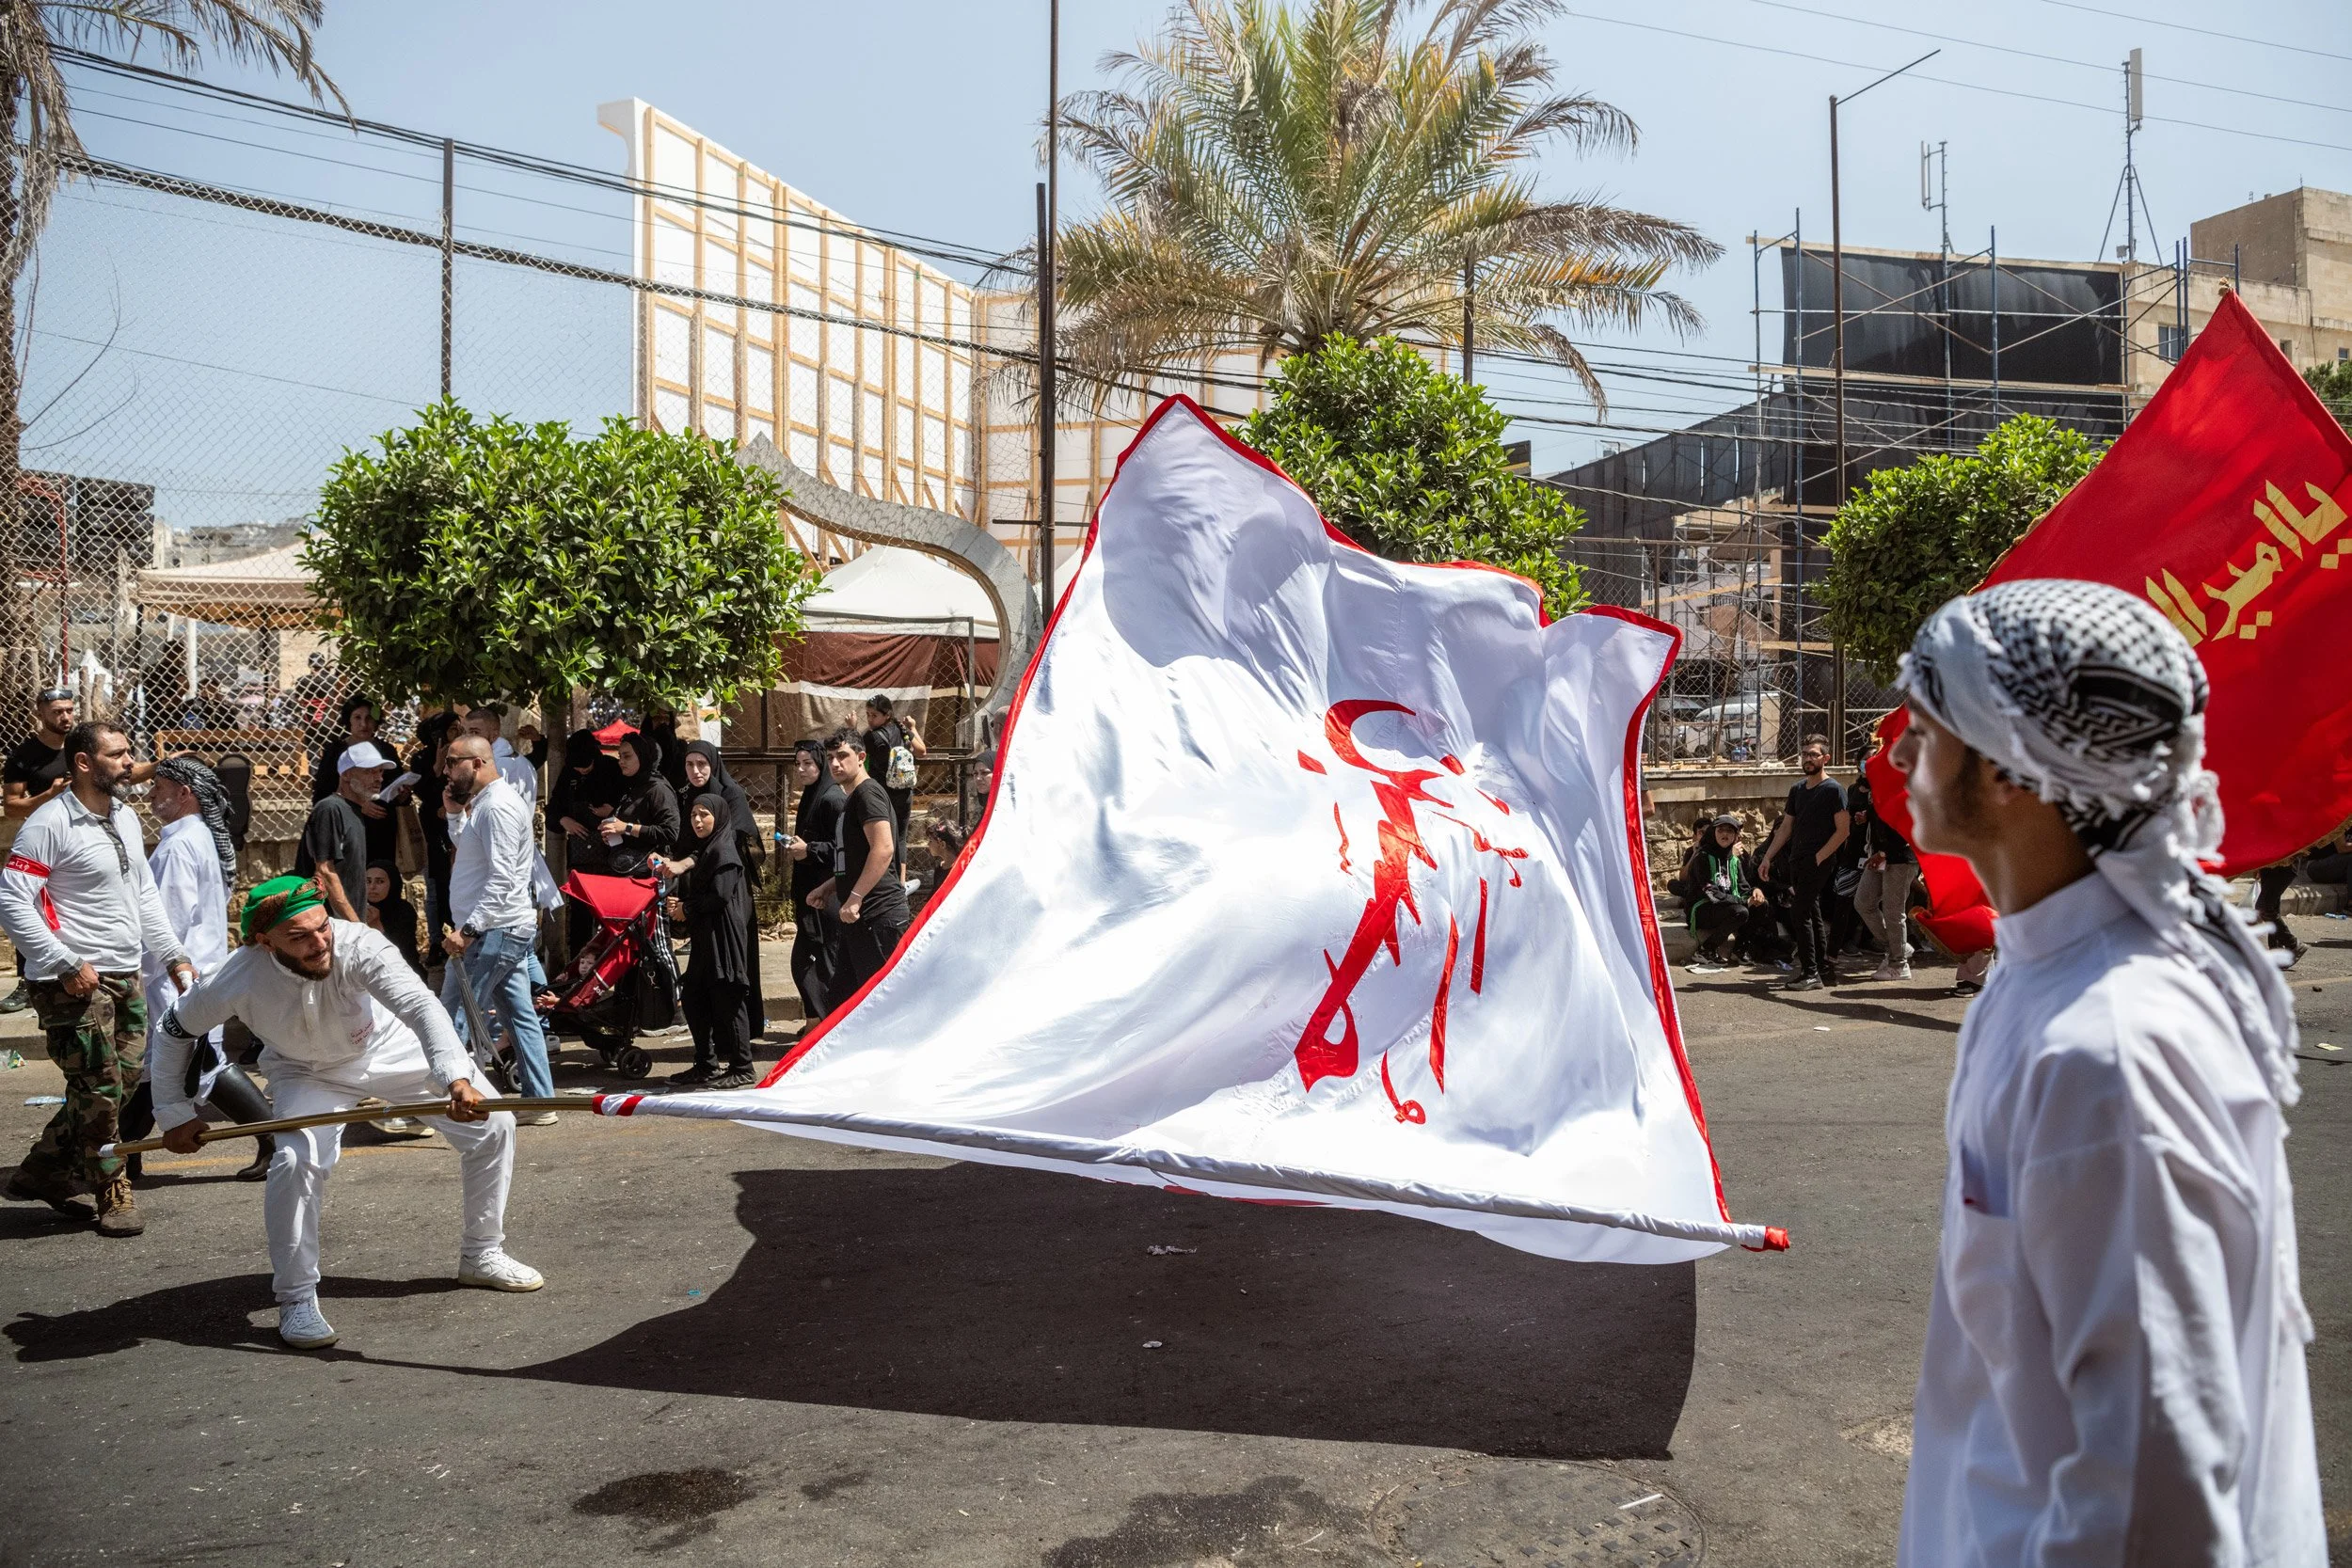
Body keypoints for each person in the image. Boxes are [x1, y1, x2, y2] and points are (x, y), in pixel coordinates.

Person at [1885, 579, 2322, 1564]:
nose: (1900, 754)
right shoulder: (2037, 979)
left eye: (1926, 726)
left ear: (2006, 773)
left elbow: (2145, 1495)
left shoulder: (2108, 1049)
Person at [153, 878, 543, 1349]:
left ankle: (482, 1253)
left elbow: (421, 1007)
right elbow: (173, 1030)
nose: (320, 944)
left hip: (390, 1050)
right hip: (305, 1072)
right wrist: (174, 1112)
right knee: (295, 1162)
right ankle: (296, 1297)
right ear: (264, 941)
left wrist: (454, 1078)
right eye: (299, 937)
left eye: (322, 928)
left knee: (495, 1121)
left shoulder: (359, 943)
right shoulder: (237, 975)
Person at [0, 722, 193, 1235]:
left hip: (124, 971)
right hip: (71, 979)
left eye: (130, 752)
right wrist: (64, 962)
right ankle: (113, 1187)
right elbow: (13, 901)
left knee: (124, 1082)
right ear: (84, 763)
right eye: (118, 754)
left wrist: (172, 954)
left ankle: (41, 1171)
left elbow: (144, 893)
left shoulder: (125, 817)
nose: (131, 762)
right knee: (100, 1084)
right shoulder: (48, 824)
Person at [116, 757, 274, 1183]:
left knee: (171, 1066)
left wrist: (141, 974)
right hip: (194, 976)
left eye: (159, 787)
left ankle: (119, 1159)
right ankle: (122, 1159)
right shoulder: (200, 838)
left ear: (184, 794)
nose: (150, 795)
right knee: (184, 1067)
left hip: (175, 978)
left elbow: (165, 922)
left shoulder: (180, 846)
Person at [437, 735, 558, 1120]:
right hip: (501, 928)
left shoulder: (499, 807)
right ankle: (540, 1102)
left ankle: (450, 1101)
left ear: (476, 763)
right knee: (519, 1018)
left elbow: (504, 878)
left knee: (452, 1014)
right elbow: (472, 851)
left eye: (452, 761)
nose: (445, 770)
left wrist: (468, 930)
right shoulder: (486, 805)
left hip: (494, 932)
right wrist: (455, 814)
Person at [652, 794, 757, 1087]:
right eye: (694, 815)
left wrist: (688, 908)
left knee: (728, 997)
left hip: (723, 936)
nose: (698, 821)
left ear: (719, 817)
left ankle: (742, 1067)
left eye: (704, 815)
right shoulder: (710, 847)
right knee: (695, 997)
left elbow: (720, 896)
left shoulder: (724, 851)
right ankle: (705, 1064)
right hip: (706, 936)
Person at [808, 726, 912, 1001]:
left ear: (861, 756)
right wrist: (830, 887)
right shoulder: (853, 798)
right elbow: (858, 858)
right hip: (860, 917)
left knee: (881, 1003)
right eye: (830, 757)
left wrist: (855, 898)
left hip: (878, 915)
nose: (834, 763)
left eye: (842, 756)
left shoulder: (868, 793)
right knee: (842, 1000)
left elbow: (884, 849)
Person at [681, 739, 767, 1037]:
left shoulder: (731, 795)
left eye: (701, 764)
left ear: (714, 764)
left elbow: (726, 842)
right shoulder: (688, 797)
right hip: (703, 888)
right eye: (690, 765)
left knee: (732, 964)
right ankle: (713, 1043)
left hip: (730, 888)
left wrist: (689, 861)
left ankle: (738, 1042)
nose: (695, 771)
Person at [1756, 733, 1850, 991]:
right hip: (1797, 860)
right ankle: (1821, 969)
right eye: (1805, 754)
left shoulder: (1834, 790)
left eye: (1814, 754)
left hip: (1817, 862)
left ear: (1826, 758)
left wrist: (1820, 857)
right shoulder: (1797, 789)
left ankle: (1810, 973)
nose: (1808, 759)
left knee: (1799, 912)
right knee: (1811, 912)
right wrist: (1767, 857)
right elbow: (1786, 827)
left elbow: (1843, 831)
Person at [780, 739, 843, 1035]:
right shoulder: (812, 795)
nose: (802, 769)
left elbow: (845, 848)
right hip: (810, 893)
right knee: (810, 963)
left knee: (813, 963)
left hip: (826, 894)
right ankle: (817, 1024)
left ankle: (826, 1025)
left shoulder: (831, 799)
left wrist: (811, 849)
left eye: (808, 763)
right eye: (798, 763)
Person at [294, 739, 391, 923]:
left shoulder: (355, 812)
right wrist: (355, 925)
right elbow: (324, 871)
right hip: (329, 926)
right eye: (369, 771)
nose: (378, 778)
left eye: (380, 772)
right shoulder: (330, 809)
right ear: (346, 774)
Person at [1849, 773, 1919, 982]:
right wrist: (1867, 816)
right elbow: (1882, 812)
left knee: (1893, 911)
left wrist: (1883, 853)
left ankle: (1899, 964)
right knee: (1863, 902)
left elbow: (1905, 824)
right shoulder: (1875, 788)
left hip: (1899, 858)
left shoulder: (1902, 787)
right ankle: (1898, 946)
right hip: (1881, 854)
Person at [1678, 815, 1772, 971]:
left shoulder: (1734, 860)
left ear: (1735, 836)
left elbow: (1743, 888)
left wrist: (1755, 891)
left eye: (1730, 831)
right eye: (1720, 830)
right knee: (1740, 912)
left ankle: (1741, 948)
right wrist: (1743, 901)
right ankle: (1705, 950)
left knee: (1762, 905)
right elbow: (1711, 892)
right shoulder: (1703, 857)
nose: (1725, 834)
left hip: (1724, 907)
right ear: (1714, 833)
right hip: (1702, 908)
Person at [600, 730, 679, 879]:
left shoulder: (658, 789)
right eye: (620, 756)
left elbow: (670, 833)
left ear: (643, 757)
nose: (621, 761)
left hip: (648, 876)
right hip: (627, 872)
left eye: (627, 756)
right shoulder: (633, 787)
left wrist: (626, 828)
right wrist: (612, 833)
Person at [861, 694, 927, 853]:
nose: (870, 719)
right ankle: (901, 878)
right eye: (868, 715)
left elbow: (855, 754)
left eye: (874, 715)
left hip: (881, 793)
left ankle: (886, 876)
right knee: (900, 838)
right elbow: (921, 751)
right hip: (904, 792)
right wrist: (913, 727)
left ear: (887, 715)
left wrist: (852, 727)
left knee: (879, 838)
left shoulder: (871, 737)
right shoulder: (901, 729)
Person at [366, 861, 424, 976]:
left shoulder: (403, 911)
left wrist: (377, 925)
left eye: (380, 882)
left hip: (401, 973)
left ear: (392, 883)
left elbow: (402, 952)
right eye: (368, 881)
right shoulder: (355, 909)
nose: (372, 887)